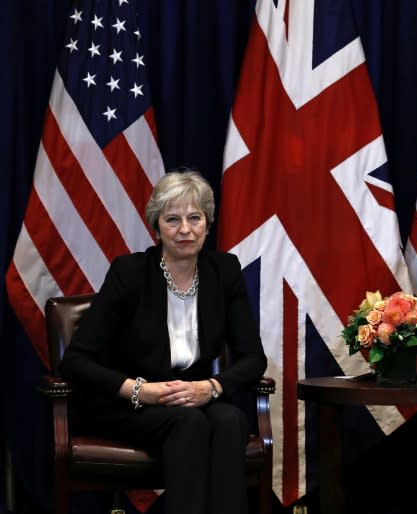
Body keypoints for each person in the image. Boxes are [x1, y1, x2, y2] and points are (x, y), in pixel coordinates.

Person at [59, 170, 267, 514]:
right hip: (127, 405)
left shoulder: (224, 271)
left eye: (194, 218)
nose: (185, 229)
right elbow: (76, 361)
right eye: (172, 219)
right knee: (191, 423)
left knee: (229, 420)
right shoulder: (129, 272)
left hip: (193, 398)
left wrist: (211, 387)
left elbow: (252, 358)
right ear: (156, 227)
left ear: (207, 223)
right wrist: (140, 390)